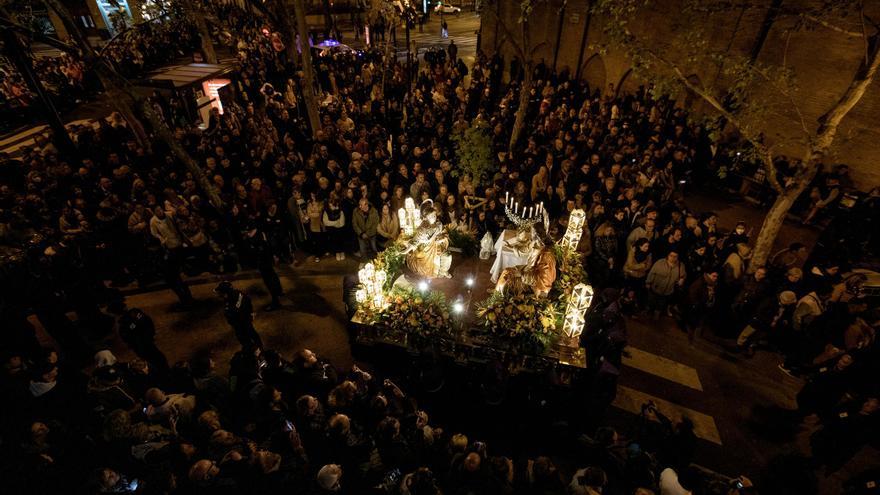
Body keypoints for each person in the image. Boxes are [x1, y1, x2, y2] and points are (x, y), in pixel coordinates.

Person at [117, 307, 170, 376]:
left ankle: (162, 373)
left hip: (141, 344)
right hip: (144, 342)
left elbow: (126, 335)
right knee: (156, 357)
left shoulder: (125, 323)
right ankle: (164, 372)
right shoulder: (134, 314)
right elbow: (147, 321)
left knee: (153, 358)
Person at [214, 281, 263, 350]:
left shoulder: (229, 306)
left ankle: (251, 349)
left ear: (225, 293)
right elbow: (248, 300)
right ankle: (259, 346)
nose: (219, 294)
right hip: (246, 318)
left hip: (240, 323)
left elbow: (231, 318)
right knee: (252, 332)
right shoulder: (238, 293)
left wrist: (232, 322)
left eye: (220, 292)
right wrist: (251, 312)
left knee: (243, 337)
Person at [646, 251, 687, 320]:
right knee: (652, 301)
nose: (673, 258)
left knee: (661, 304)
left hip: (668, 290)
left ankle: (657, 314)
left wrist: (682, 279)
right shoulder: (660, 263)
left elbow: (683, 275)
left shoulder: (680, 265)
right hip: (655, 288)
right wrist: (648, 282)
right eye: (671, 256)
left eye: (675, 256)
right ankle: (649, 312)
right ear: (668, 256)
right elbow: (652, 273)